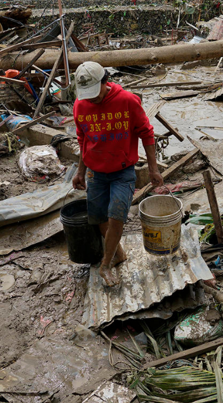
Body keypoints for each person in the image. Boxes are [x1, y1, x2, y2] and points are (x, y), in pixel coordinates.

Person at [72, 62, 164, 287]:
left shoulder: (128, 101)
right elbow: (83, 140)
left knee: (117, 215)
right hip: (96, 172)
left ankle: (105, 264)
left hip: (123, 171)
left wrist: (153, 169)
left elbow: (147, 134)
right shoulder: (79, 106)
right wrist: (80, 172)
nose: (91, 99)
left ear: (105, 82)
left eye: (94, 93)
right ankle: (118, 253)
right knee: (100, 218)